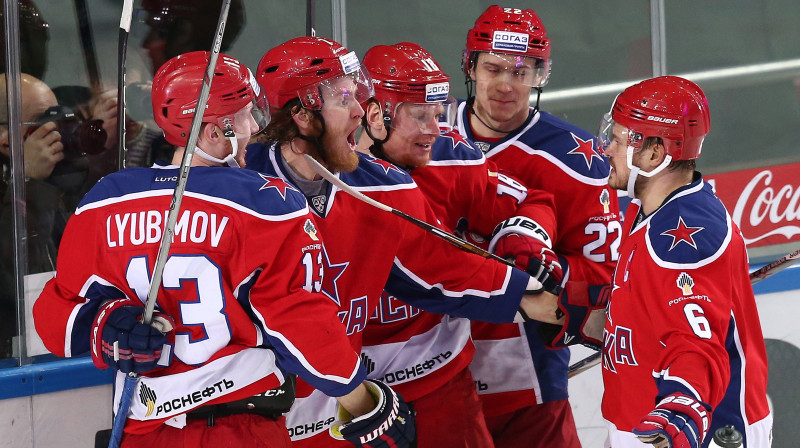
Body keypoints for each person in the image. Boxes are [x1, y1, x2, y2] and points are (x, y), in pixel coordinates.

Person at [32, 51, 414, 448]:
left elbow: (53, 314)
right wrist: (365, 402)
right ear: (214, 133)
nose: (254, 127)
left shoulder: (105, 200)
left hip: (142, 433)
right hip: (239, 432)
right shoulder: (266, 201)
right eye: (245, 116)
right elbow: (299, 320)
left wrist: (104, 325)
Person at [246, 36, 564, 447]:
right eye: (347, 98)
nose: (361, 109)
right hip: (294, 409)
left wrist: (566, 307)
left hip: (416, 384)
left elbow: (449, 268)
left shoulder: (394, 184)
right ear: (304, 115)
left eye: (438, 113)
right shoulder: (238, 192)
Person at [356, 41, 562, 447]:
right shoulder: (315, 177)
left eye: (438, 113)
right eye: (419, 116)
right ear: (374, 114)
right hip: (350, 398)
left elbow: (530, 202)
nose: (435, 128)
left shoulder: (450, 158)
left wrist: (521, 240)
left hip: (440, 383)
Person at [454, 5, 622, 448]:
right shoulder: (424, 132)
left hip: (524, 374)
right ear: (470, 67)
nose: (506, 84)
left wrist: (545, 275)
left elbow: (607, 277)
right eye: (493, 68)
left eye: (521, 70)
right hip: (426, 368)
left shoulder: (576, 159)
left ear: (539, 75)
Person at [597, 76, 772, 448]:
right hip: (641, 417)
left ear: (655, 154)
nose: (607, 149)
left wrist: (683, 402)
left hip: (698, 428)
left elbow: (696, 343)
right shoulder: (649, 209)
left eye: (619, 139)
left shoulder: (686, 238)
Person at [0, 72, 66, 357]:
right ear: (6, 141)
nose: (59, 133)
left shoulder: (65, 177)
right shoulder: (27, 191)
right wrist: (28, 184)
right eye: (43, 123)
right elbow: (19, 279)